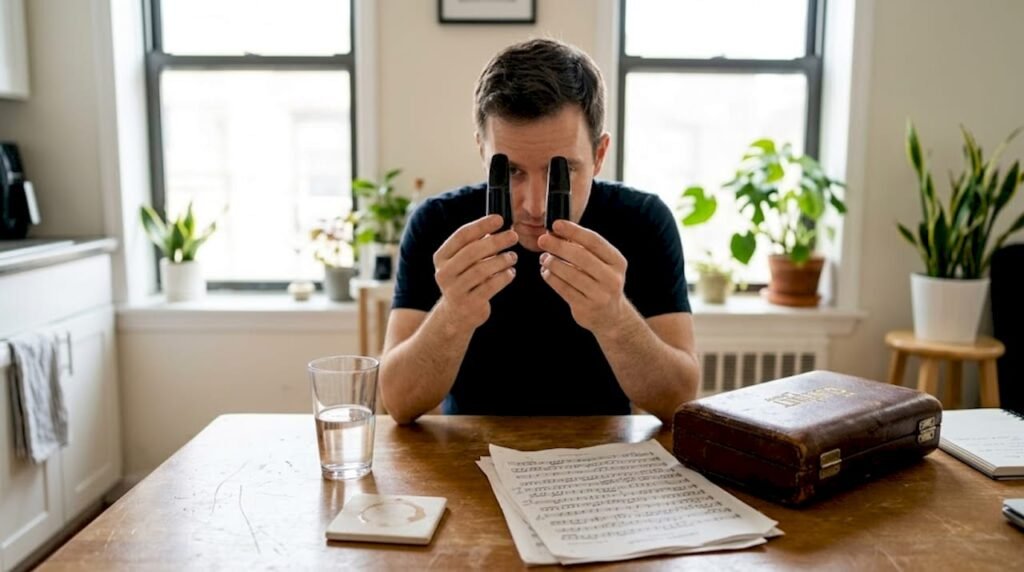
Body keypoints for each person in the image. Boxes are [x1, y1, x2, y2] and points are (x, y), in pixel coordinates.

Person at [379, 38, 699, 424]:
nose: (535, 204)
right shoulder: (438, 223)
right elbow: (397, 403)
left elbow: (678, 401)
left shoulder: (644, 221)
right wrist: (454, 315)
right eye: (511, 170)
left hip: (602, 460)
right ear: (482, 150)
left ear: (599, 155)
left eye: (561, 171)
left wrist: (614, 319)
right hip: (467, 461)